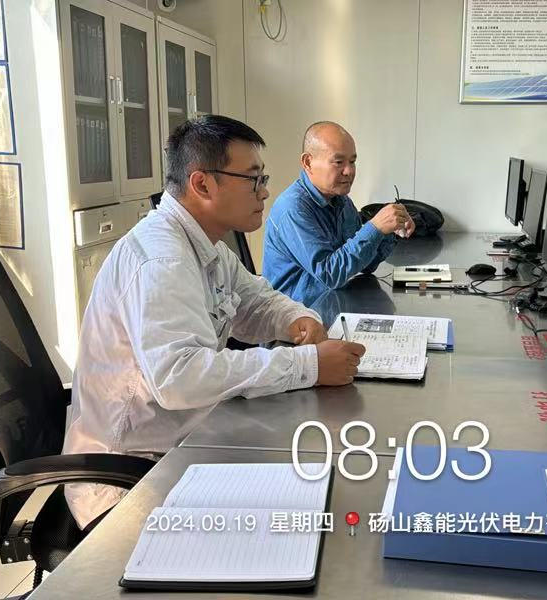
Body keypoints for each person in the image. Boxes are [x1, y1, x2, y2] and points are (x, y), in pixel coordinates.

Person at [62, 115, 365, 530]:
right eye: (253, 179)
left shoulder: (207, 247)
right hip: (128, 482)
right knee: (307, 518)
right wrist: (308, 365)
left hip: (186, 444)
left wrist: (299, 319)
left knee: (318, 491)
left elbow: (255, 301)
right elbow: (180, 377)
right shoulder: (162, 259)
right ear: (202, 184)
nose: (265, 191)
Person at [263, 121, 415, 306]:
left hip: (332, 303)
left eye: (352, 161)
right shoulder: (293, 208)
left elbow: (366, 265)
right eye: (338, 162)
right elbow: (330, 274)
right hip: (298, 313)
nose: (349, 171)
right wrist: (375, 228)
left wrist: (388, 230)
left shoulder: (341, 201)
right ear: (308, 162)